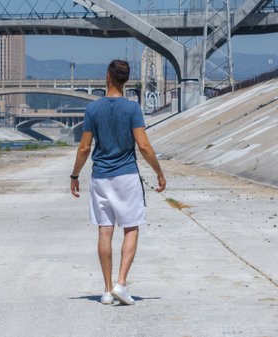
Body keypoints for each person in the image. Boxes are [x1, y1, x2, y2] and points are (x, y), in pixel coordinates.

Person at [70, 60, 166, 305]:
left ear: (107, 77)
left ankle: (105, 291)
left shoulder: (93, 109)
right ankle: (121, 284)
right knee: (131, 228)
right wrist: (159, 172)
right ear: (126, 80)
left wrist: (75, 175)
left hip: (101, 177)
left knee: (105, 231)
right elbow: (143, 145)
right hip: (127, 177)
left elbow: (84, 148)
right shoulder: (132, 109)